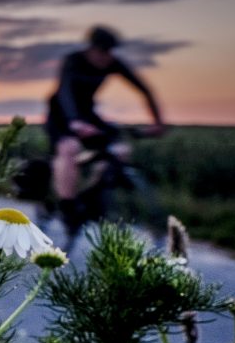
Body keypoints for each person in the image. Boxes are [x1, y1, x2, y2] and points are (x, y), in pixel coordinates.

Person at [45, 26, 166, 229]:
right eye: (102, 52)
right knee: (69, 149)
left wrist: (158, 122)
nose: (106, 57)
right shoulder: (73, 61)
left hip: (88, 114)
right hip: (62, 115)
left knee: (119, 152)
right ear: (91, 49)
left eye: (110, 52)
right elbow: (65, 91)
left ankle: (93, 199)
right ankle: (67, 207)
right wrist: (75, 121)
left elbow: (145, 90)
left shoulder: (113, 64)